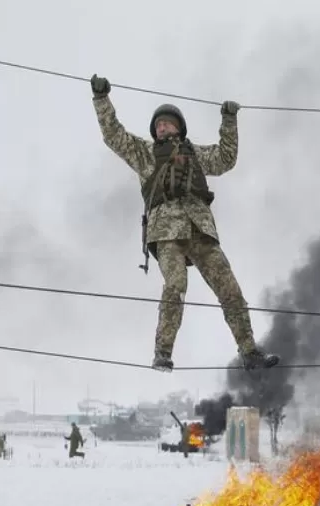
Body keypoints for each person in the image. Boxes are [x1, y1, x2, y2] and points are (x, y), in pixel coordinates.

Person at [90, 73, 280, 373]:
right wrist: (101, 98)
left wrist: (228, 120)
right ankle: (162, 352)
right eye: (158, 124)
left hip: (200, 230)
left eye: (167, 123)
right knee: (176, 285)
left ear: (178, 127)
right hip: (166, 232)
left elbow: (226, 158)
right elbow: (114, 135)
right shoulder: (146, 154)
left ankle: (248, 350)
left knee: (230, 288)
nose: (162, 126)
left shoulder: (195, 154)